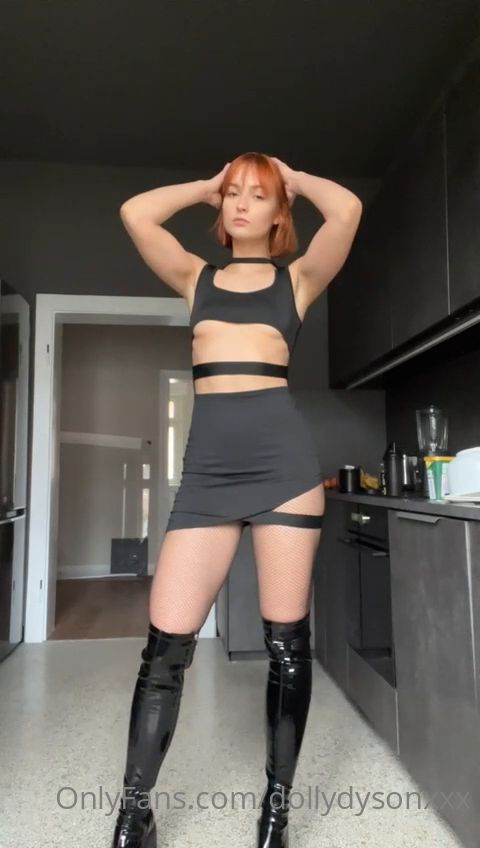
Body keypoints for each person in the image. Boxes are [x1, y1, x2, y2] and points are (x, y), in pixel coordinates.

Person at [113, 152, 362, 848]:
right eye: (234, 194)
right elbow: (136, 213)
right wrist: (204, 186)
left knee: (286, 648)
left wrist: (293, 179)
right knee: (164, 652)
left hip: (284, 469)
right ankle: (134, 814)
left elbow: (346, 210)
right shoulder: (195, 278)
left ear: (280, 212)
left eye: (259, 195)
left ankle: (275, 815)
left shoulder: (298, 281)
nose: (243, 203)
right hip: (208, 478)